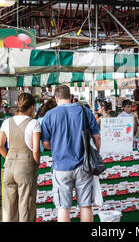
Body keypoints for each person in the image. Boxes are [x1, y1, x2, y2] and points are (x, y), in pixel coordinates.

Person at [41, 85, 100, 222]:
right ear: (71, 96)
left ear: (56, 99)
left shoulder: (50, 115)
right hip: (84, 165)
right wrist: (95, 155)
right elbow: (97, 137)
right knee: (85, 206)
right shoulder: (85, 111)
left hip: (61, 167)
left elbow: (45, 144)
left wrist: (57, 147)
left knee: (63, 207)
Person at [0, 93, 41, 222]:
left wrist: (9, 158)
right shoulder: (34, 123)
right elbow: (36, 150)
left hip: (9, 166)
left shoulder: (6, 122)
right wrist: (36, 164)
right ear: (32, 107)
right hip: (26, 166)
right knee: (26, 204)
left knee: (9, 207)